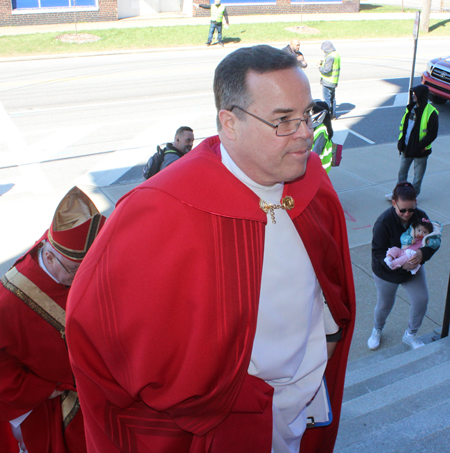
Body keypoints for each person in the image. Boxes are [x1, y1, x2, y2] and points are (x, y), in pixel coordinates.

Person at [66, 45, 355, 453]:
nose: (306, 132)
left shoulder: (312, 182)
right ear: (229, 123)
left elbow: (330, 284)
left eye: (307, 114)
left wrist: (328, 335)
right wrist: (207, 397)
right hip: (225, 422)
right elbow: (97, 328)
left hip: (304, 394)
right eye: (283, 121)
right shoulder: (160, 208)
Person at [0, 187, 106, 453]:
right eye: (76, 271)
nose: (83, 278)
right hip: (46, 405)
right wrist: (46, 389)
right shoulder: (8, 303)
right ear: (48, 256)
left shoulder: (64, 255)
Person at [368, 182, 440, 352]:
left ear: (416, 202)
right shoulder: (383, 222)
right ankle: (377, 328)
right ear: (394, 203)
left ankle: (411, 334)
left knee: (421, 300)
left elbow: (433, 241)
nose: (407, 214)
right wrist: (397, 264)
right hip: (387, 271)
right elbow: (377, 252)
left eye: (411, 209)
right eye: (403, 210)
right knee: (385, 304)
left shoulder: (421, 216)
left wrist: (422, 254)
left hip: (413, 268)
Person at [386, 85, 439, 200]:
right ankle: (399, 195)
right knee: (402, 173)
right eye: (413, 94)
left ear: (422, 96)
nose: (414, 96)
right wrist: (401, 141)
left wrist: (420, 146)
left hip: (421, 150)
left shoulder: (431, 112)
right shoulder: (410, 108)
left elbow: (432, 134)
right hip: (407, 147)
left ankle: (412, 198)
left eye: (416, 94)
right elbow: (403, 127)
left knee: (418, 177)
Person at [318, 41, 340, 119]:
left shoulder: (330, 57)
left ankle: (327, 115)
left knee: (327, 100)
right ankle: (333, 114)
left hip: (328, 81)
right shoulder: (336, 55)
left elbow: (326, 70)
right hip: (334, 81)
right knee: (332, 99)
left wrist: (319, 67)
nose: (323, 51)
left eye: (324, 50)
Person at [311, 100, 333, 173]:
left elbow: (316, 152)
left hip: (320, 169)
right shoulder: (324, 127)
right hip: (322, 167)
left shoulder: (322, 131)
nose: (311, 114)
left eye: (313, 112)